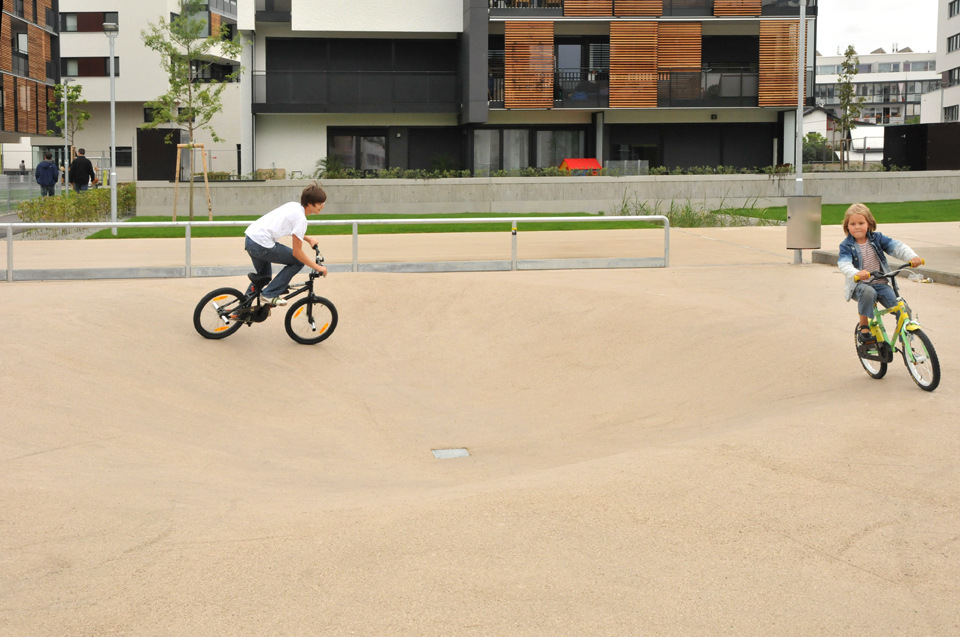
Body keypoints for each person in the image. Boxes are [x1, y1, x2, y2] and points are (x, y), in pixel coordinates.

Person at [837, 203, 922, 343]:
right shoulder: (846, 245)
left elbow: (897, 247)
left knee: (903, 309)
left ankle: (908, 348)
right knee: (868, 292)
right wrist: (856, 273)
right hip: (861, 284)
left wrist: (912, 257)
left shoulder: (877, 239)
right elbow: (844, 263)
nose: (857, 227)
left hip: (880, 282)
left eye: (861, 223)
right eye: (852, 224)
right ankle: (864, 327)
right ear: (847, 226)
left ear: (869, 224)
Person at [243, 182, 328, 306]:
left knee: (264, 277)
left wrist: (308, 239)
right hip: (261, 244)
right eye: (320, 204)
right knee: (297, 262)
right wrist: (317, 267)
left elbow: (291, 229)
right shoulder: (301, 219)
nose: (323, 207)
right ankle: (269, 294)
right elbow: (297, 253)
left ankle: (242, 309)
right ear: (310, 204)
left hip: (251, 239)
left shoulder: (293, 206)